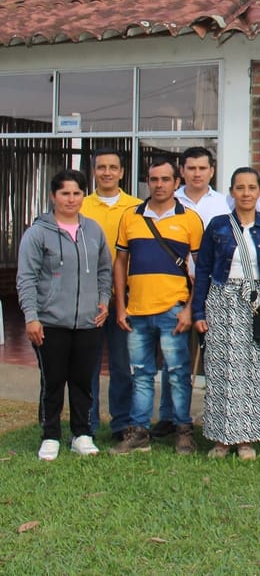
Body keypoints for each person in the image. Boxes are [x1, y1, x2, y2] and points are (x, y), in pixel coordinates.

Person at [154, 146, 260, 440]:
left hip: (217, 290)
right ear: (182, 172)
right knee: (175, 357)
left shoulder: (224, 204)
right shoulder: (168, 202)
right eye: (191, 168)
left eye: (202, 168)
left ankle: (218, 419)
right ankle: (171, 417)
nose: (197, 173)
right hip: (176, 288)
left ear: (212, 171)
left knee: (216, 358)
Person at [192, 167, 260, 460]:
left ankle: (248, 437)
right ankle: (222, 439)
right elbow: (203, 270)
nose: (246, 193)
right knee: (223, 369)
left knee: (256, 371)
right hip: (223, 300)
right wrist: (199, 309)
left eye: (252, 187)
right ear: (232, 192)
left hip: (259, 302)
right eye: (240, 188)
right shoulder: (218, 226)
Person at [110, 158, 203, 456]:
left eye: (165, 179)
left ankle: (183, 430)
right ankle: (139, 432)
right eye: (153, 179)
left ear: (177, 182)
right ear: (147, 182)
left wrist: (190, 309)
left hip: (173, 309)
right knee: (140, 373)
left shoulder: (189, 219)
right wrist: (121, 306)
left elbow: (201, 269)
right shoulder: (131, 216)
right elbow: (121, 262)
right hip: (136, 310)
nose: (159, 185)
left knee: (177, 373)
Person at [17, 170, 112, 460]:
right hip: (50, 322)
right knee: (54, 380)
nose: (71, 199)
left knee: (83, 381)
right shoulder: (37, 233)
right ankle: (50, 435)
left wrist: (104, 300)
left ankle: (81, 434)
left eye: (77, 193)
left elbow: (104, 270)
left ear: (84, 195)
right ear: (53, 196)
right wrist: (31, 316)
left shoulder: (93, 230)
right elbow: (27, 278)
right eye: (65, 193)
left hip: (88, 322)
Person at [81, 148, 141, 442]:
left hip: (125, 298)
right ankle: (87, 425)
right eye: (101, 167)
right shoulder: (80, 206)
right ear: (94, 171)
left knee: (122, 365)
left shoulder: (137, 207)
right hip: (88, 298)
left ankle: (121, 424)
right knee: (87, 366)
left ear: (122, 172)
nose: (107, 172)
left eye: (112, 167)